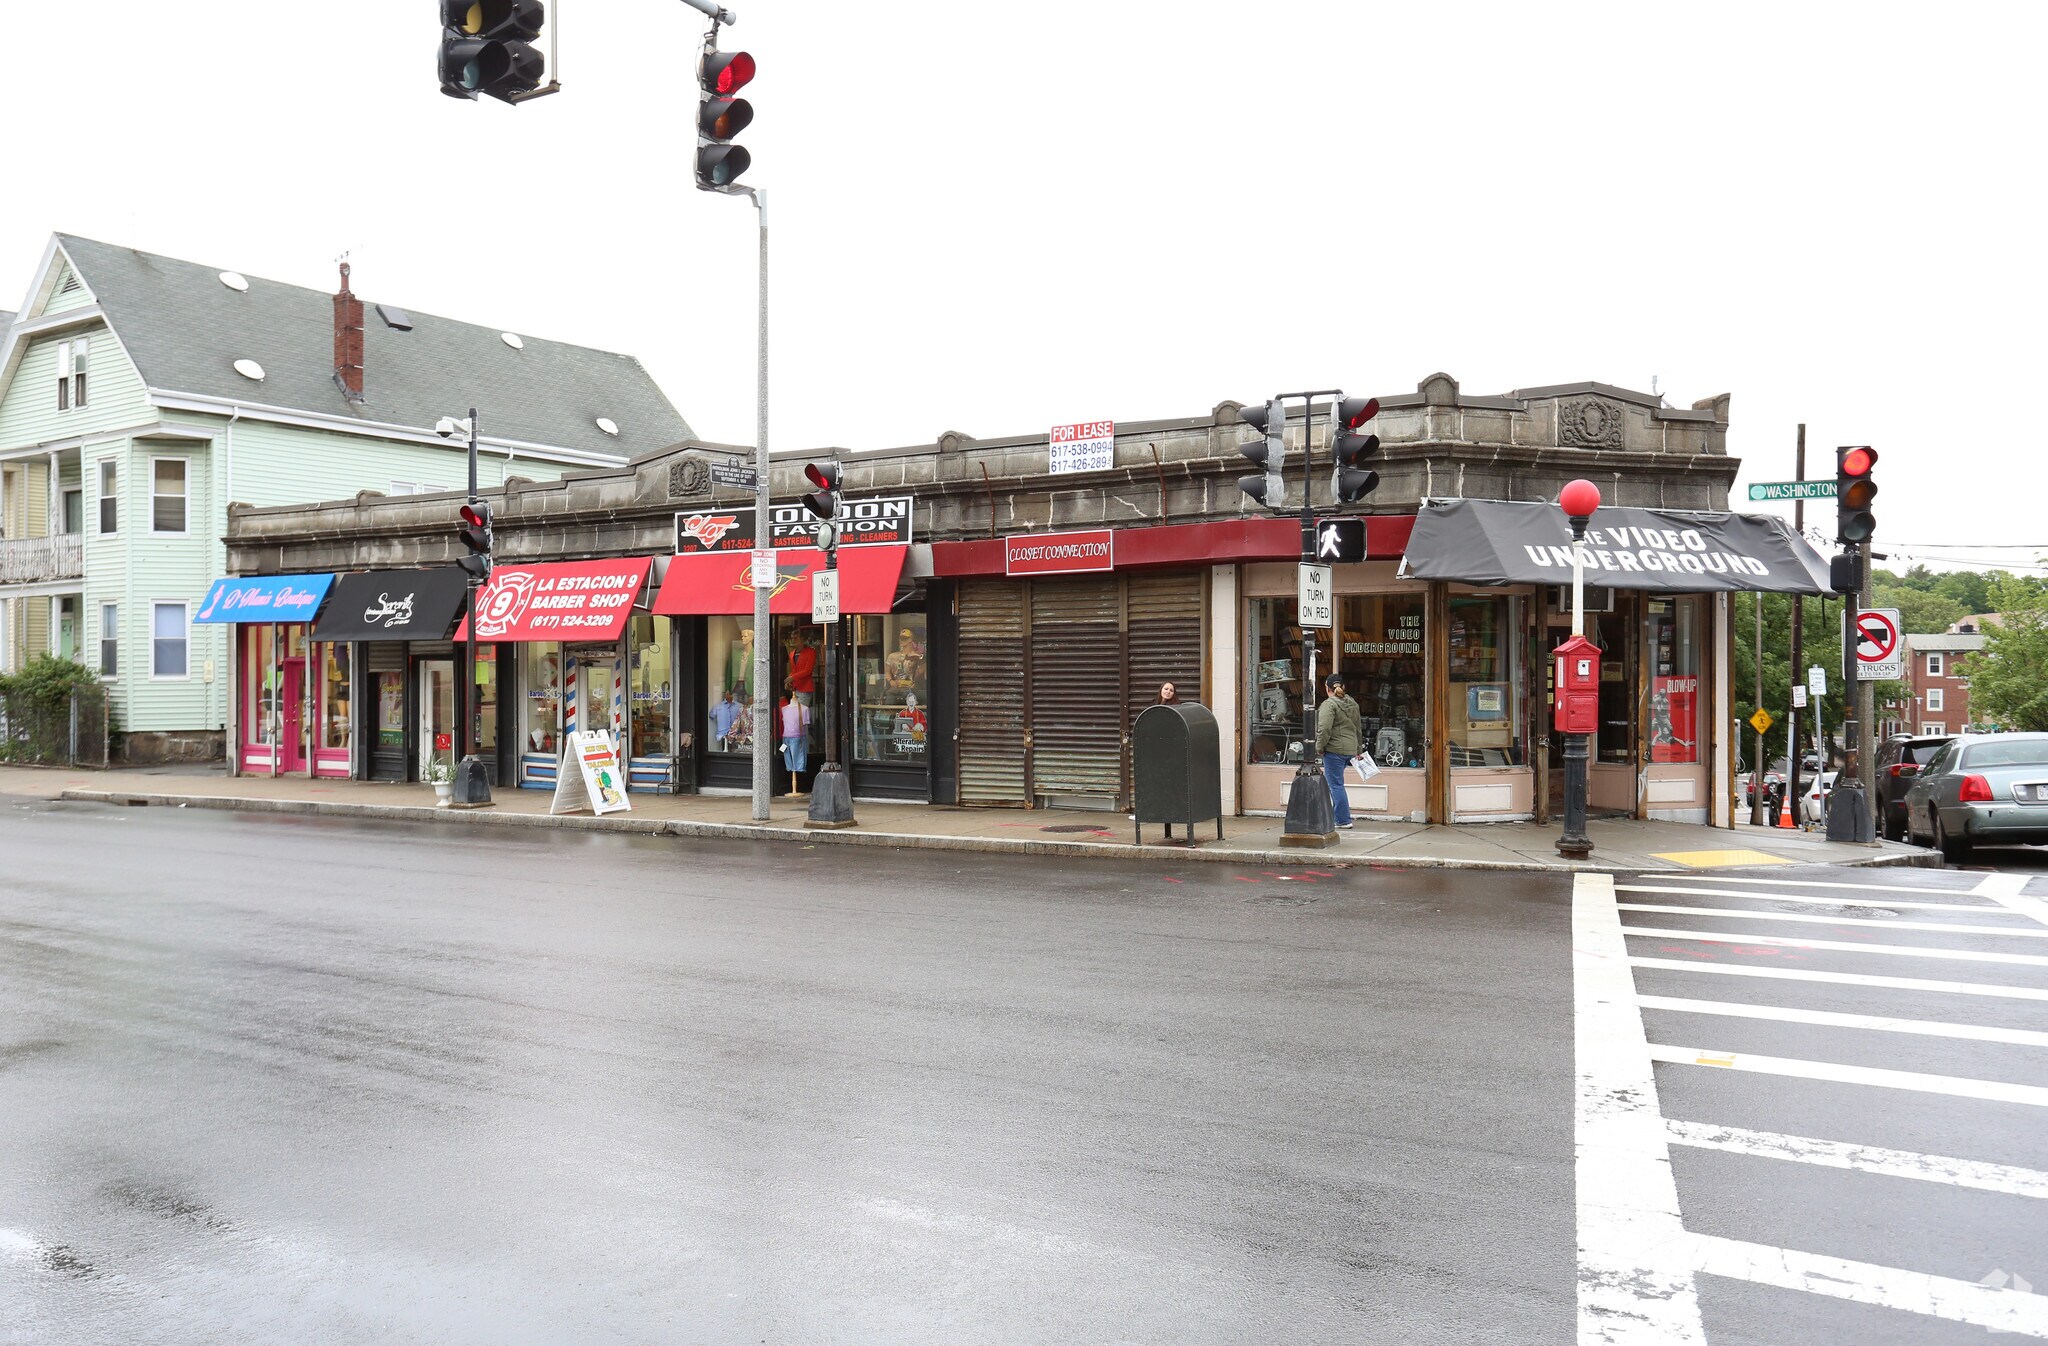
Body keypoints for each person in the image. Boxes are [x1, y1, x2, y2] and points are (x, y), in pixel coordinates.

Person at [1315, 671, 1362, 830]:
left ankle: (1343, 820)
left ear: (1326, 688)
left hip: (1334, 749)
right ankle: (1339, 817)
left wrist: (1319, 747)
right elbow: (1358, 728)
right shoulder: (1352, 703)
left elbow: (1324, 729)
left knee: (1335, 785)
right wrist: (1358, 749)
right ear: (1343, 687)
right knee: (1338, 784)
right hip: (1350, 748)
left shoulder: (1329, 704)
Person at [779, 695, 809, 795]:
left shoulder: (804, 709)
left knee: (798, 758)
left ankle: (796, 774)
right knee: (789, 758)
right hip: (787, 737)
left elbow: (805, 724)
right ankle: (793, 777)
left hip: (797, 737)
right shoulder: (784, 709)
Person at [785, 628, 818, 707]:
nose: (793, 640)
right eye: (792, 638)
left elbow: (807, 670)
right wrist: (789, 680)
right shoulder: (792, 653)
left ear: (802, 639)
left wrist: (792, 677)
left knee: (801, 713)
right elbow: (794, 670)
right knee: (796, 713)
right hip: (795, 688)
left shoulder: (811, 652)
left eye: (796, 638)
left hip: (805, 687)